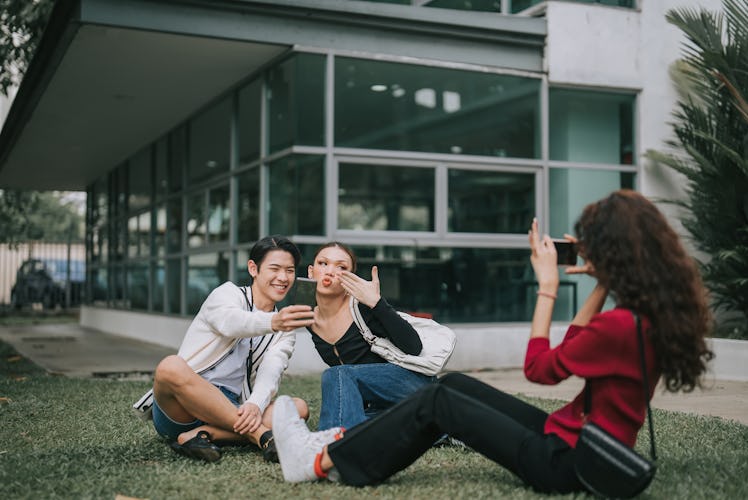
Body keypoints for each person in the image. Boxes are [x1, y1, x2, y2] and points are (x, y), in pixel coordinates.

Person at [271, 190, 714, 493]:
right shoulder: (644, 317)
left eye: (594, 247)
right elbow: (582, 341)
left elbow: (542, 369)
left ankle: (320, 460)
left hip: (565, 461)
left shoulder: (620, 326)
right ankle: (337, 444)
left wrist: (547, 287)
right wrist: (602, 285)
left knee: (436, 403)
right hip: (577, 441)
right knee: (453, 387)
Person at [132, 235, 316, 463]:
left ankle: (202, 435)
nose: (283, 277)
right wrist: (272, 322)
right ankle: (261, 436)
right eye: (275, 268)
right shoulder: (228, 294)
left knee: (298, 408)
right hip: (184, 404)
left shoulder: (284, 329)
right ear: (253, 268)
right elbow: (231, 322)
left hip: (232, 409)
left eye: (289, 270)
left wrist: (254, 405)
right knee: (170, 367)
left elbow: (272, 370)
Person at [305, 242, 437, 430]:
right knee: (361, 420)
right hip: (379, 403)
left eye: (341, 267)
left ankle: (330, 445)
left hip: (411, 384)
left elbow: (414, 347)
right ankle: (436, 428)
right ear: (311, 272)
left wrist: (377, 303)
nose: (330, 271)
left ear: (350, 277)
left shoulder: (362, 307)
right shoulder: (309, 319)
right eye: (323, 263)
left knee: (338, 374)